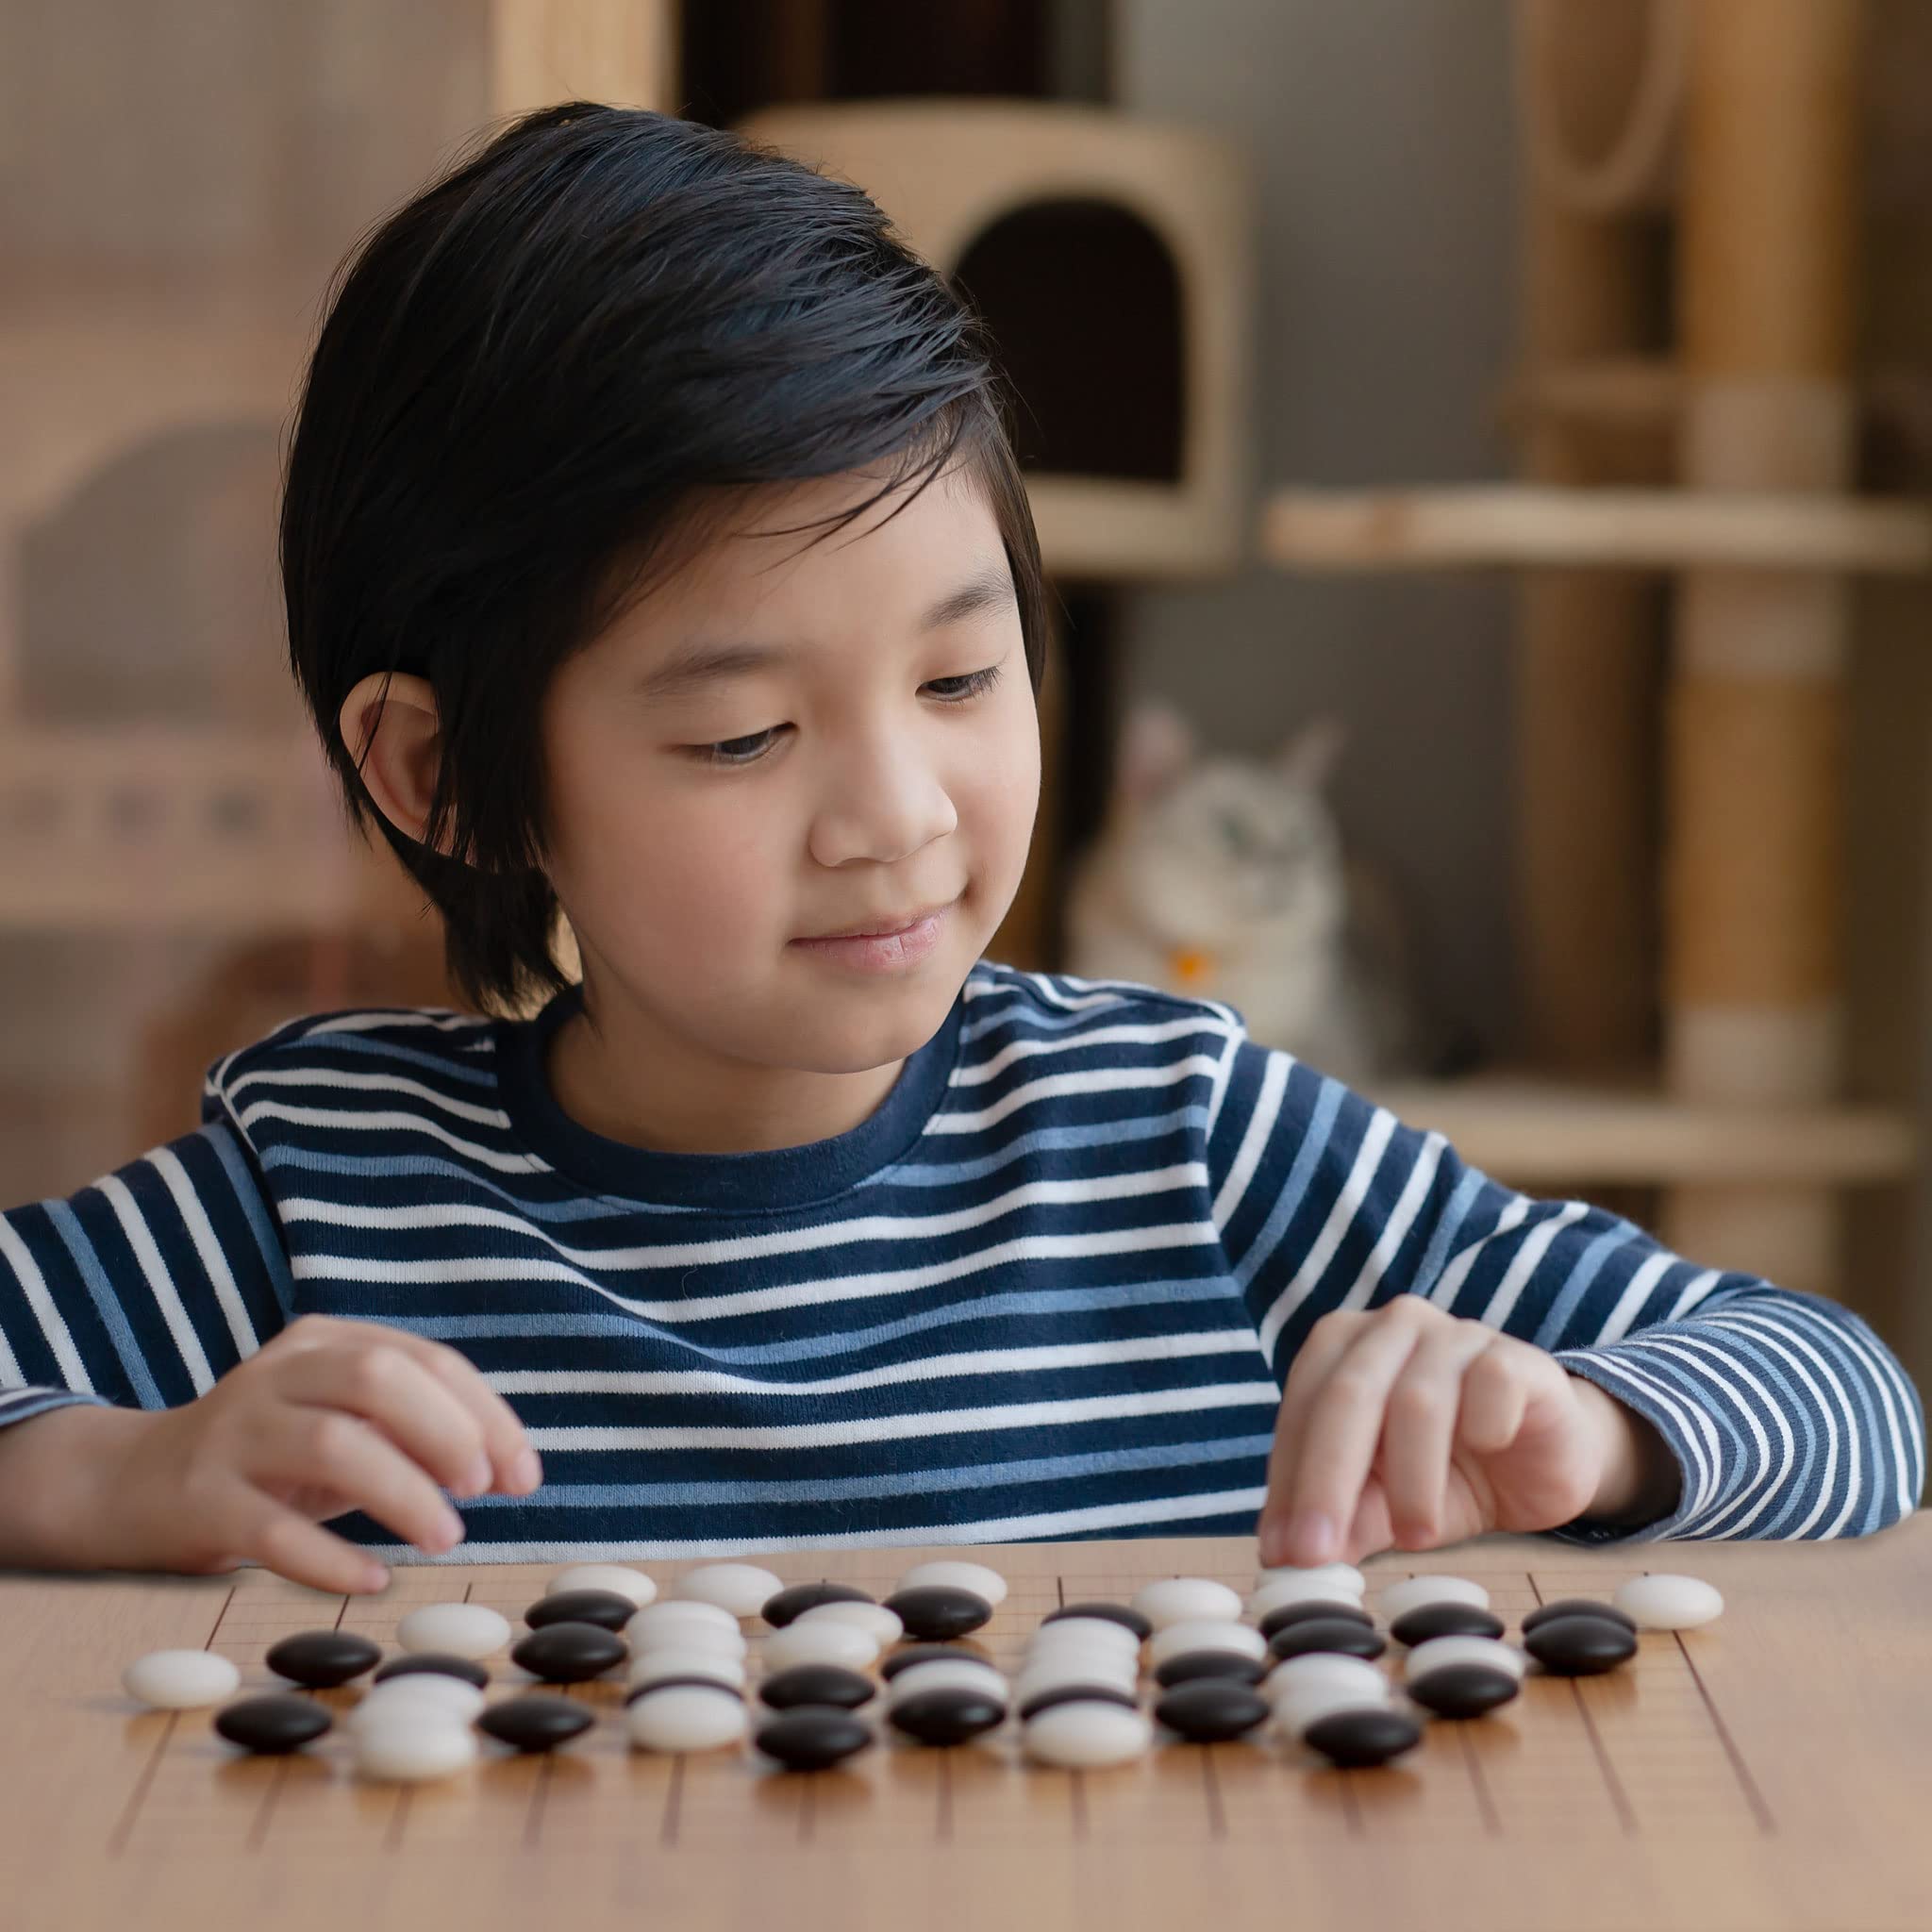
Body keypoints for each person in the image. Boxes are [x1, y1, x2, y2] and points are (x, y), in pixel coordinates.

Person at [0, 106, 1921, 1599]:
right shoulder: (329, 1192)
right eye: (743, 734)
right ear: (445, 777)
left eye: (960, 676)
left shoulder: (1182, 1137)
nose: (902, 816)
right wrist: (108, 1471)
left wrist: (1594, 1429)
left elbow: (1848, 1395)